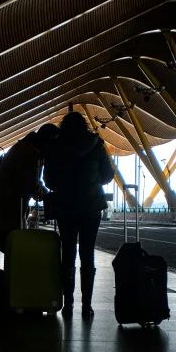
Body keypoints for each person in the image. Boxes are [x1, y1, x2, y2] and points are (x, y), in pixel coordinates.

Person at [43, 112, 115, 317]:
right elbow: (109, 175)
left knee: (67, 253)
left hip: (65, 207)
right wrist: (92, 183)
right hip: (91, 207)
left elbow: (48, 179)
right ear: (84, 126)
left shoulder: (55, 146)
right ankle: (87, 305)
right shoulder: (96, 144)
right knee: (87, 253)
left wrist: (64, 187)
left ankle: (68, 305)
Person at [0, 124, 58, 252]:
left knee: (13, 248)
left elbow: (32, 181)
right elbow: (31, 184)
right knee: (14, 247)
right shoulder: (30, 153)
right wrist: (47, 195)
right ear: (48, 141)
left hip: (6, 208)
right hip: (7, 209)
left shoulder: (27, 147)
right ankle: (14, 272)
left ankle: (13, 271)